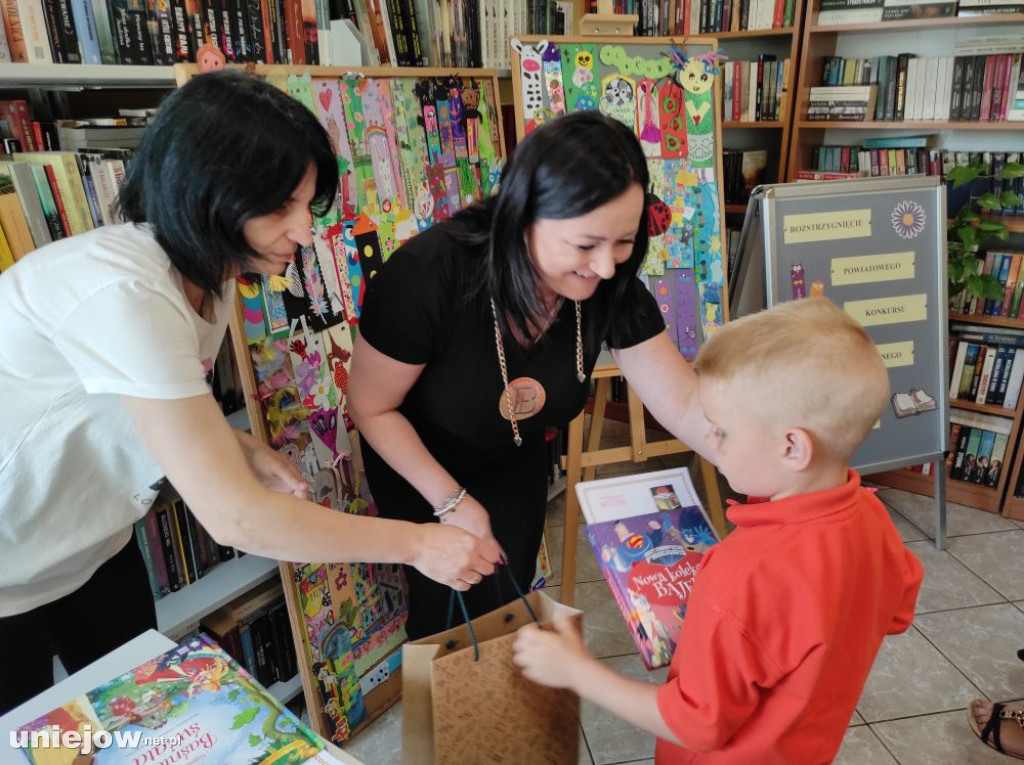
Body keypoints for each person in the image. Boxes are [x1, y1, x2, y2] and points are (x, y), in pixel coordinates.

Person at [0, 71, 500, 714]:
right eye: (279, 207)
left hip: (90, 546)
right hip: (10, 562)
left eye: (305, 205)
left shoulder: (212, 274)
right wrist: (418, 542)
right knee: (36, 739)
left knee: (132, 724)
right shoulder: (124, 292)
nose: (305, 231)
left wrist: (234, 445)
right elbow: (235, 518)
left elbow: (127, 402)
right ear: (206, 192)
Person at [347, 111, 714, 639]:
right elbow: (370, 406)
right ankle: (449, 711)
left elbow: (682, 403)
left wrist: (773, 470)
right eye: (585, 245)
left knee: (501, 601)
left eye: (624, 243)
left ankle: (493, 715)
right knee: (446, 609)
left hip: (511, 452)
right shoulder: (426, 277)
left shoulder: (609, 286)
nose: (607, 267)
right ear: (524, 218)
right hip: (418, 456)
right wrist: (451, 503)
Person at [513, 297, 925, 764]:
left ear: (792, 447)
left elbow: (695, 724)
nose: (708, 440)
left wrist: (579, 672)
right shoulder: (872, 518)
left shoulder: (744, 571)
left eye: (721, 430)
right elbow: (895, 613)